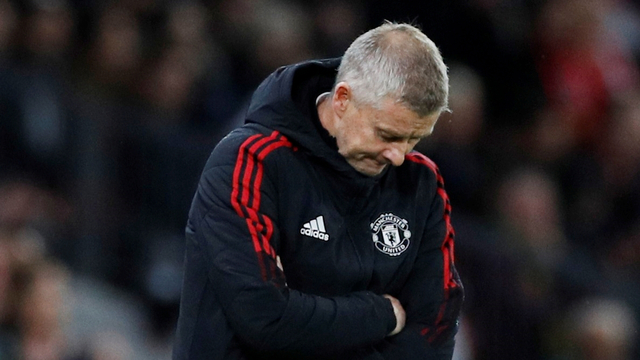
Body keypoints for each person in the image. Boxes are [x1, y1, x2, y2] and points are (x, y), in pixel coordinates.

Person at [172, 22, 464, 360]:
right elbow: (266, 317)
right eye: (387, 135)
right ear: (342, 99)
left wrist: (305, 310)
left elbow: (434, 333)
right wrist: (381, 314)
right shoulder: (249, 162)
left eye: (415, 139)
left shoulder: (422, 184)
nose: (398, 156)